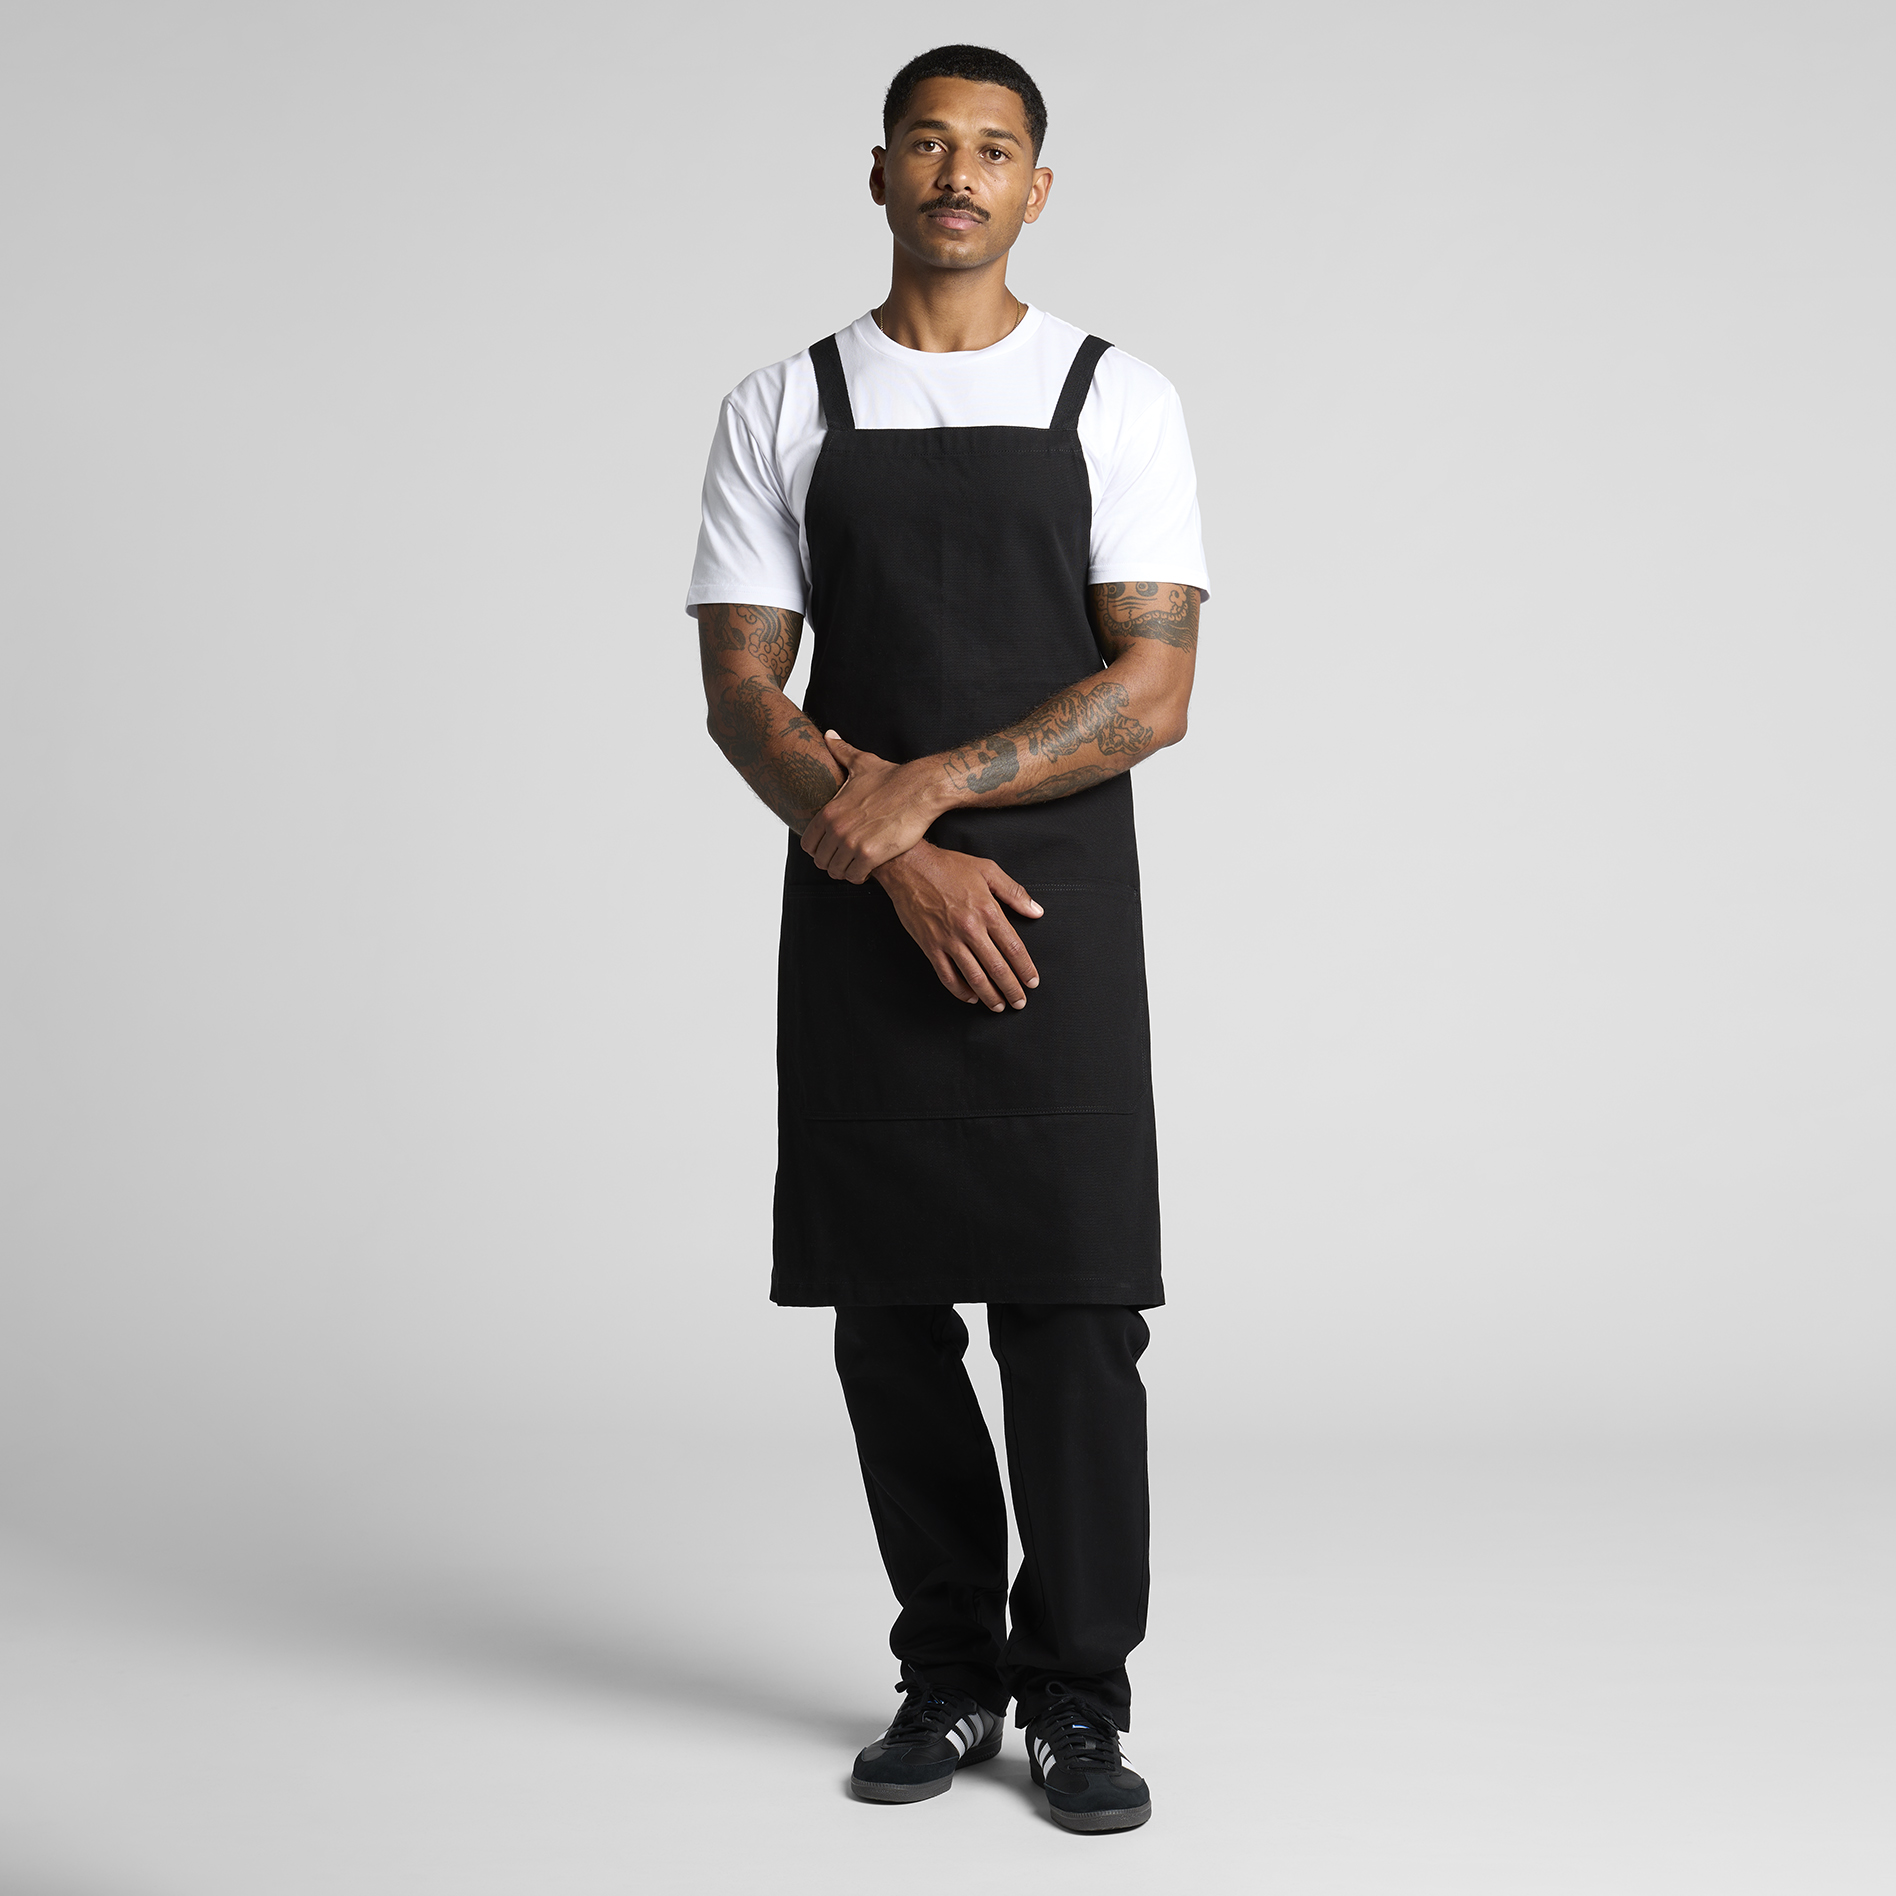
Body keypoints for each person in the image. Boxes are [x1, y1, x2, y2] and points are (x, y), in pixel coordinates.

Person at [687, 44, 1208, 1835]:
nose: (959, 173)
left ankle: (1077, 1697)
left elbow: (1154, 689)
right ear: (882, 172)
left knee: (1077, 1313)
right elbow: (742, 693)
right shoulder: (785, 402)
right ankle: (948, 1672)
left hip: (1059, 908)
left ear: (1036, 190)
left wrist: (925, 792)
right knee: (888, 1310)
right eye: (928, 141)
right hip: (859, 901)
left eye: (994, 149)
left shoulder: (1116, 397)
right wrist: (894, 849)